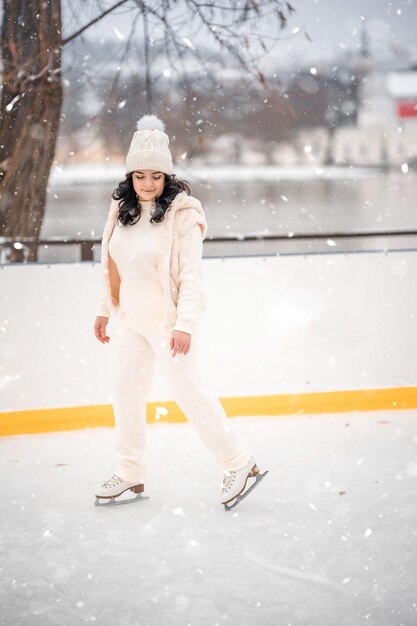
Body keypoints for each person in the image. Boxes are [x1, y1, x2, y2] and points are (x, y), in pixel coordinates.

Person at [93, 114, 266, 509]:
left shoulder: (183, 215)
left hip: (169, 325)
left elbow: (191, 275)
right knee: (124, 393)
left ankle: (238, 463)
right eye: (140, 175)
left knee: (189, 394)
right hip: (131, 324)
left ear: (167, 176)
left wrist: (184, 324)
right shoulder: (120, 209)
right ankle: (130, 472)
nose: (148, 183)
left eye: (156, 176)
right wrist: (104, 309)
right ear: (130, 176)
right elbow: (110, 263)